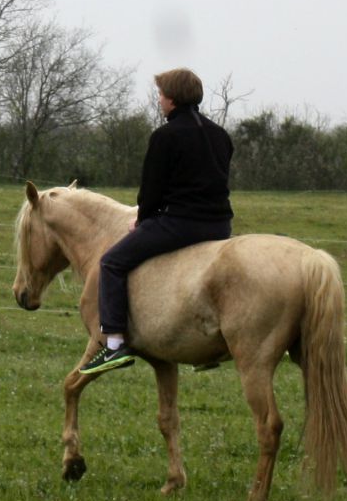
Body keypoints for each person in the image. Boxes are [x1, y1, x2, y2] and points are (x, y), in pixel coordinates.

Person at [80, 67, 234, 374]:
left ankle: (114, 345)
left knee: (111, 262)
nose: (160, 99)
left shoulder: (165, 136)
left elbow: (152, 190)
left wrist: (143, 220)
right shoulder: (221, 135)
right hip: (220, 226)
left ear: (172, 98)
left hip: (180, 224)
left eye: (161, 94)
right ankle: (208, 350)